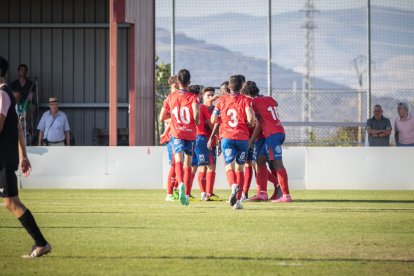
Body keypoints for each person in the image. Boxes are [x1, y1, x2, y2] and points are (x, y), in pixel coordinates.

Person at [0, 56, 52, 258]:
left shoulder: (2, 95)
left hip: (3, 159)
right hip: (7, 157)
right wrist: (24, 155)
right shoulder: (6, 96)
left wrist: (22, 155)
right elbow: (17, 128)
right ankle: (41, 243)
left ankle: (41, 243)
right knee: (9, 202)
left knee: (11, 203)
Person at [210, 75, 255, 210]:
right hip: (242, 138)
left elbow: (213, 120)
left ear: (229, 87)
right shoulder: (246, 100)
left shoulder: (221, 100)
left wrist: (222, 120)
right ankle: (238, 202)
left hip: (227, 137)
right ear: (242, 86)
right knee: (240, 169)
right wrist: (249, 123)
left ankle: (233, 186)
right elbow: (251, 118)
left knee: (229, 167)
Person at [244, 81, 292, 203]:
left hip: (272, 134)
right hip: (277, 132)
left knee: (277, 164)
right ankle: (263, 193)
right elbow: (276, 103)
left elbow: (259, 125)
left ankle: (286, 195)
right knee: (260, 160)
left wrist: (250, 141)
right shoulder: (268, 98)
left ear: (248, 94)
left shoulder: (253, 102)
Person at [159, 69, 200, 206]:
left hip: (177, 133)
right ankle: (187, 194)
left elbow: (161, 117)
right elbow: (195, 114)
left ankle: (180, 183)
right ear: (189, 81)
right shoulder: (193, 97)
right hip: (190, 133)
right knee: (188, 163)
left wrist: (174, 118)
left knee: (178, 160)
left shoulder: (171, 97)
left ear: (178, 82)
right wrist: (197, 121)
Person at [160, 75, 179, 201]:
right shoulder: (170, 98)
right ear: (176, 84)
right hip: (172, 136)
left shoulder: (178, 97)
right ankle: (169, 193)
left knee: (181, 164)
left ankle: (176, 191)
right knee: (174, 164)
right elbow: (162, 118)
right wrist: (174, 120)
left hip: (180, 134)